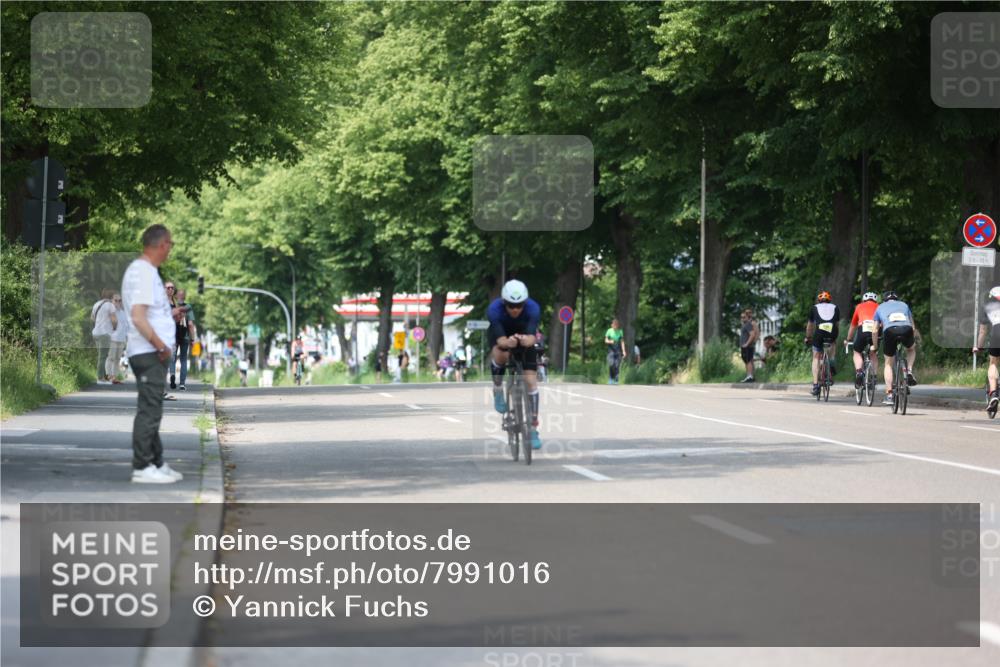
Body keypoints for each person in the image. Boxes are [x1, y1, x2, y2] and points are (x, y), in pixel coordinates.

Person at [121, 224, 184, 484]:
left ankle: (157, 461)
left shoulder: (146, 272)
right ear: (161, 244)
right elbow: (138, 316)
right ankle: (142, 466)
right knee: (149, 409)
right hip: (148, 351)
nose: (170, 249)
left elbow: (152, 313)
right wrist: (160, 345)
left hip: (149, 350)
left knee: (153, 406)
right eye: (170, 244)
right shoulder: (144, 273)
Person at [487, 279, 543, 449]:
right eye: (511, 305)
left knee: (531, 381)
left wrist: (527, 340)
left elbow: (533, 336)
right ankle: (497, 389)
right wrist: (508, 342)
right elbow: (500, 340)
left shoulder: (533, 309)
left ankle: (533, 428)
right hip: (502, 335)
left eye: (519, 305)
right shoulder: (494, 310)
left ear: (525, 303)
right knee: (501, 355)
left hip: (524, 335)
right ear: (504, 303)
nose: (515, 309)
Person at [872, 290, 920, 405]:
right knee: (911, 349)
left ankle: (889, 394)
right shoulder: (904, 305)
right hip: (906, 329)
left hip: (889, 330)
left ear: (884, 300)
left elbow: (874, 330)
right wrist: (909, 341)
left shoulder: (879, 307)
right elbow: (913, 327)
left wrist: (875, 346)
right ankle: (908, 370)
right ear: (896, 299)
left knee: (888, 363)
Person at [804, 291, 840, 397]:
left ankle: (816, 386)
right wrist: (835, 337)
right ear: (829, 300)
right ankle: (832, 362)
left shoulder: (814, 308)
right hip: (832, 330)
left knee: (816, 356)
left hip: (819, 331)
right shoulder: (835, 307)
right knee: (833, 343)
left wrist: (808, 337)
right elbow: (837, 324)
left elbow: (810, 326)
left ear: (819, 300)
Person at [973, 286, 1000, 412]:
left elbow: (983, 331)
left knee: (993, 363)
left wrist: (978, 347)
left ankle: (994, 394)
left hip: (997, 332)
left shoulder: (988, 307)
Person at [845, 291, 880, 388]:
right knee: (873, 352)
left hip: (863, 329)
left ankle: (859, 372)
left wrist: (848, 339)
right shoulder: (879, 306)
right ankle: (874, 377)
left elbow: (853, 325)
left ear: (864, 299)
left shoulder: (859, 306)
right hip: (876, 330)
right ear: (875, 300)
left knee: (857, 352)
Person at [171, 288, 197, 390]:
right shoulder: (188, 308)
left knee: (172, 359)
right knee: (183, 360)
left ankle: (172, 374)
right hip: (185, 337)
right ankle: (182, 384)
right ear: (184, 297)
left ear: (176, 296)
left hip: (173, 337)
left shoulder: (173, 307)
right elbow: (190, 325)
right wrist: (193, 339)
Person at [91, 288, 116, 384]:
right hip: (105, 333)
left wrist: (100, 322)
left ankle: (103, 378)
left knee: (102, 356)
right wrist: (114, 327)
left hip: (96, 333)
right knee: (103, 357)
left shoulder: (96, 304)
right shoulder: (110, 305)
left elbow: (92, 318)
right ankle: (100, 378)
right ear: (111, 296)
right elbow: (114, 320)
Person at [106, 293, 127, 384]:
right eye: (116, 300)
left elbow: (126, 326)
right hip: (112, 338)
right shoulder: (109, 312)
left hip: (121, 339)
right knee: (111, 357)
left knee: (117, 359)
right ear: (112, 301)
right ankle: (109, 376)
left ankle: (114, 377)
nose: (118, 302)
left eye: (120, 300)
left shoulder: (123, 313)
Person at [738, 309, 759, 383]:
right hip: (745, 346)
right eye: (741, 317)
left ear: (748, 317)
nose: (742, 318)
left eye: (744, 317)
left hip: (748, 346)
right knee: (747, 360)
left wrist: (748, 343)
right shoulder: (745, 324)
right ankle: (749, 376)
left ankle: (750, 376)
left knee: (749, 360)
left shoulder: (750, 324)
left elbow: (754, 334)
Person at [605, 318, 627, 385]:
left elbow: (622, 342)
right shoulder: (609, 331)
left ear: (618, 326)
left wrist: (624, 351)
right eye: (614, 325)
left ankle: (616, 380)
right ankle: (611, 378)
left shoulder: (620, 332)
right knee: (611, 364)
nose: (615, 326)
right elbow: (605, 340)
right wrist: (610, 341)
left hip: (618, 350)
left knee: (617, 365)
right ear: (612, 325)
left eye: (616, 325)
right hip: (611, 351)